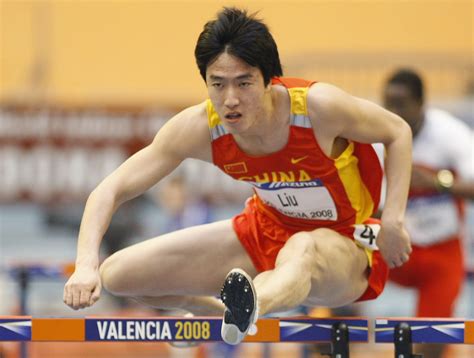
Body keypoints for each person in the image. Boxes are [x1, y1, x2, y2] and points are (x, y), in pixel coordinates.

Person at [63, 7, 413, 345]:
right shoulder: (201, 128)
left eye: (244, 83)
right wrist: (85, 265)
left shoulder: (318, 109)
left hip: (346, 246)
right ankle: (218, 313)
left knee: (302, 247)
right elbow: (111, 189)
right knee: (118, 274)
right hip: (264, 231)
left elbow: (397, 131)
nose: (230, 100)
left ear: (268, 79)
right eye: (218, 84)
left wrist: (394, 219)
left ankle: (249, 308)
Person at [383, 68, 474, 358]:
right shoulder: (375, 133)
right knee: (338, 278)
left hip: (441, 251)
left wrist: (437, 182)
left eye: (401, 103)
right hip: (391, 247)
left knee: (431, 344)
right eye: (389, 102)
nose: (393, 110)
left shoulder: (450, 133)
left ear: (421, 103)